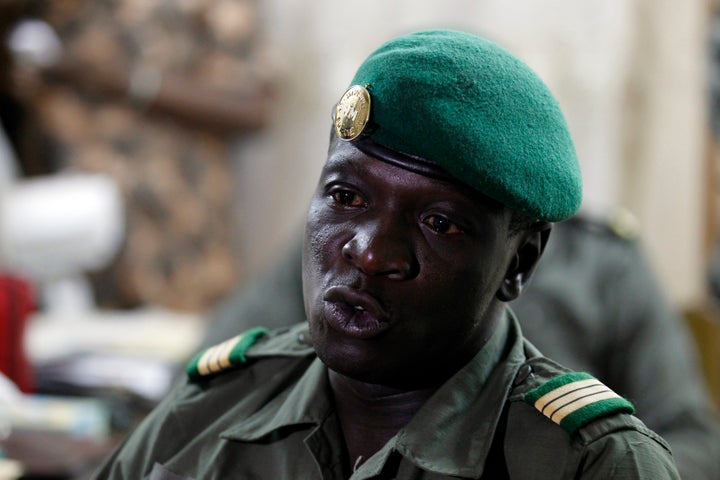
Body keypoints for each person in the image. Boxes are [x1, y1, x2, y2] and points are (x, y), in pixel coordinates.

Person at [93, 29, 679, 478]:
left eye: (438, 223)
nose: (370, 253)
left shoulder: (592, 465)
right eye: (346, 195)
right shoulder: (211, 412)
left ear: (519, 263)